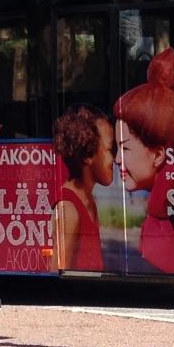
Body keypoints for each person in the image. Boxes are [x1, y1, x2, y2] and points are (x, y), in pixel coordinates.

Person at [113, 47, 174, 274]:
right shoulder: (170, 206)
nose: (117, 159)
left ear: (158, 155)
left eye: (125, 147)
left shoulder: (158, 225)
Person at [51, 105, 115, 273]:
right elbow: (58, 273)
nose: (114, 159)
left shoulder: (88, 200)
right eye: (110, 150)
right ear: (87, 155)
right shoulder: (69, 209)